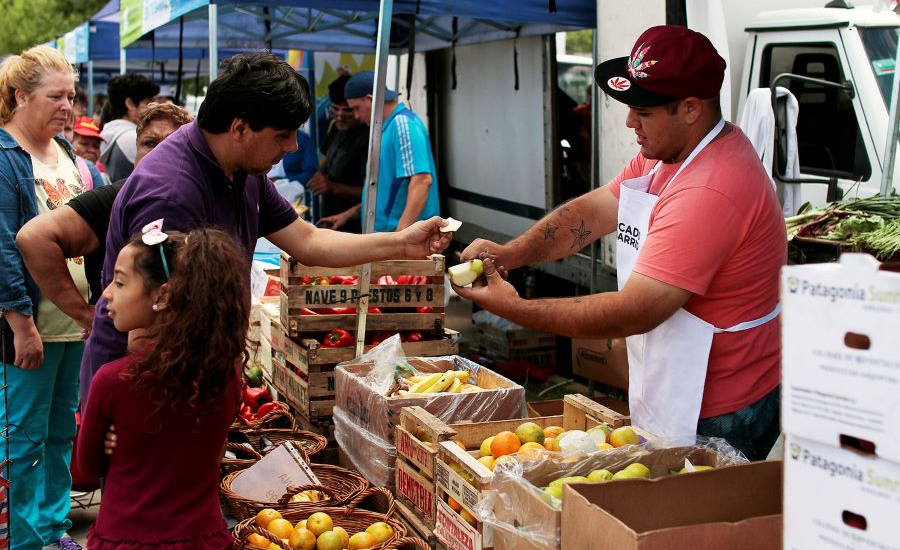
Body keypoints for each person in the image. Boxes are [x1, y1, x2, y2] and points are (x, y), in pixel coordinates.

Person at [454, 26, 786, 460]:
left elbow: (636, 310)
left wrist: (514, 309)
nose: (630, 123)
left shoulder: (711, 189)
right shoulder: (667, 153)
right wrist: (512, 252)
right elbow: (591, 212)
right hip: (677, 381)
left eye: (643, 112)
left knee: (688, 518)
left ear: (689, 108)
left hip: (722, 409)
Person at [80, 52, 453, 401]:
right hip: (149, 391)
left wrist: (402, 244)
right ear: (240, 128)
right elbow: (147, 330)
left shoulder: (241, 168)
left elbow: (308, 240)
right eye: (282, 135)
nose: (292, 147)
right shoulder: (172, 192)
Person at [77, 226, 249, 550]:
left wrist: (107, 441)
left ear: (163, 295)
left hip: (126, 539)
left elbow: (87, 468)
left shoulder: (112, 381)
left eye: (120, 281)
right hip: (204, 537)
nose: (107, 294)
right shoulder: (224, 374)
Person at [0, 44, 101, 550]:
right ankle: (22, 538)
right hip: (32, 326)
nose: (68, 105)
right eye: (55, 96)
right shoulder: (4, 157)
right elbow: (1, 245)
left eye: (72, 95)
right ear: (19, 96)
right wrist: (21, 323)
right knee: (23, 438)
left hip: (73, 323)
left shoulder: (68, 156)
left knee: (62, 431)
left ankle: (53, 527)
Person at [17, 102, 194, 327]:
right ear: (136, 152)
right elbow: (33, 238)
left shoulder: (200, 197)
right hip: (114, 348)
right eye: (149, 143)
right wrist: (86, 315)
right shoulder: (117, 196)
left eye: (170, 143)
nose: (159, 152)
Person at [319, 71, 440, 232]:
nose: (356, 115)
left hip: (403, 241)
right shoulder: (386, 129)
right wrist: (347, 215)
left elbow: (422, 181)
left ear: (369, 100)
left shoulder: (403, 124)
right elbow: (383, 193)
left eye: (356, 108)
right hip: (388, 239)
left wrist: (400, 236)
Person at [308, 74, 368, 233]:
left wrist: (333, 187)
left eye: (347, 110)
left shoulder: (368, 138)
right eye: (335, 109)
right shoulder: (336, 128)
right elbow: (328, 161)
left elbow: (371, 193)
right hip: (330, 219)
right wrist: (320, 175)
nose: (340, 116)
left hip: (354, 228)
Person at [99, 73, 159, 181]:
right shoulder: (134, 137)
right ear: (130, 104)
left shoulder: (108, 132)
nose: (153, 108)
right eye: (148, 103)